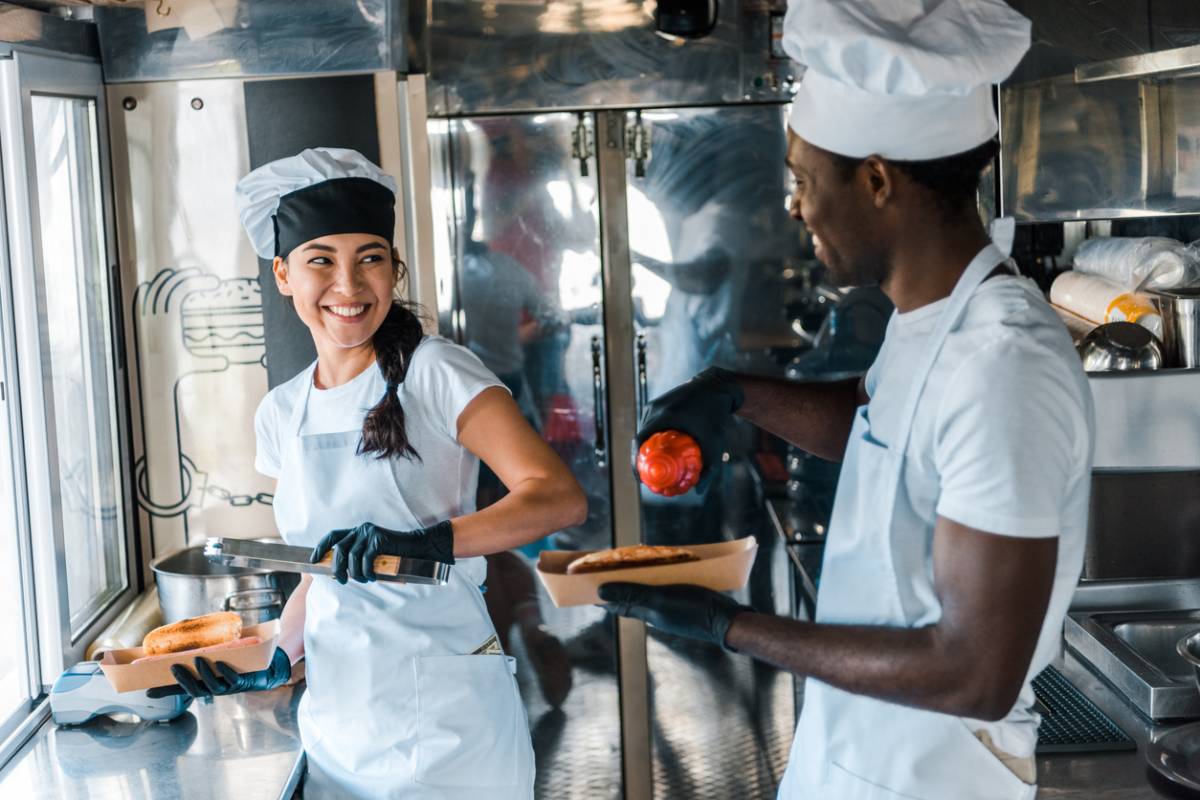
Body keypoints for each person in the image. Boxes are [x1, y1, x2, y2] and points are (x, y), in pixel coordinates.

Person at [602, 3, 1095, 799]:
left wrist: (733, 627)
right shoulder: (931, 319)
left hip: (931, 777)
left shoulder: (1003, 367)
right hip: (865, 753)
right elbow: (874, 422)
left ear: (875, 180)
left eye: (803, 181)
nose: (794, 207)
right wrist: (730, 396)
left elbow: (975, 674)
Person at [150, 147, 587, 799]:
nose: (349, 287)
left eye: (370, 259)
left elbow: (558, 499)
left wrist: (427, 543)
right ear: (282, 274)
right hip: (339, 733)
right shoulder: (282, 413)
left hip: (449, 732)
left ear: (394, 268)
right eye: (321, 261)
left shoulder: (438, 372)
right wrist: (275, 656)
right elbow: (320, 575)